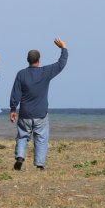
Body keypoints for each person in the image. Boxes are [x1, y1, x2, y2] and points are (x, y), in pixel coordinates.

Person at [9, 38, 69, 171]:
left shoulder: (21, 74)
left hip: (25, 113)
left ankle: (20, 156)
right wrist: (63, 48)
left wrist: (13, 109)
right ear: (39, 60)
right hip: (41, 113)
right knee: (41, 138)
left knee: (22, 136)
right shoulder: (45, 72)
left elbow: (16, 93)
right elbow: (61, 64)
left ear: (27, 60)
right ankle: (40, 164)